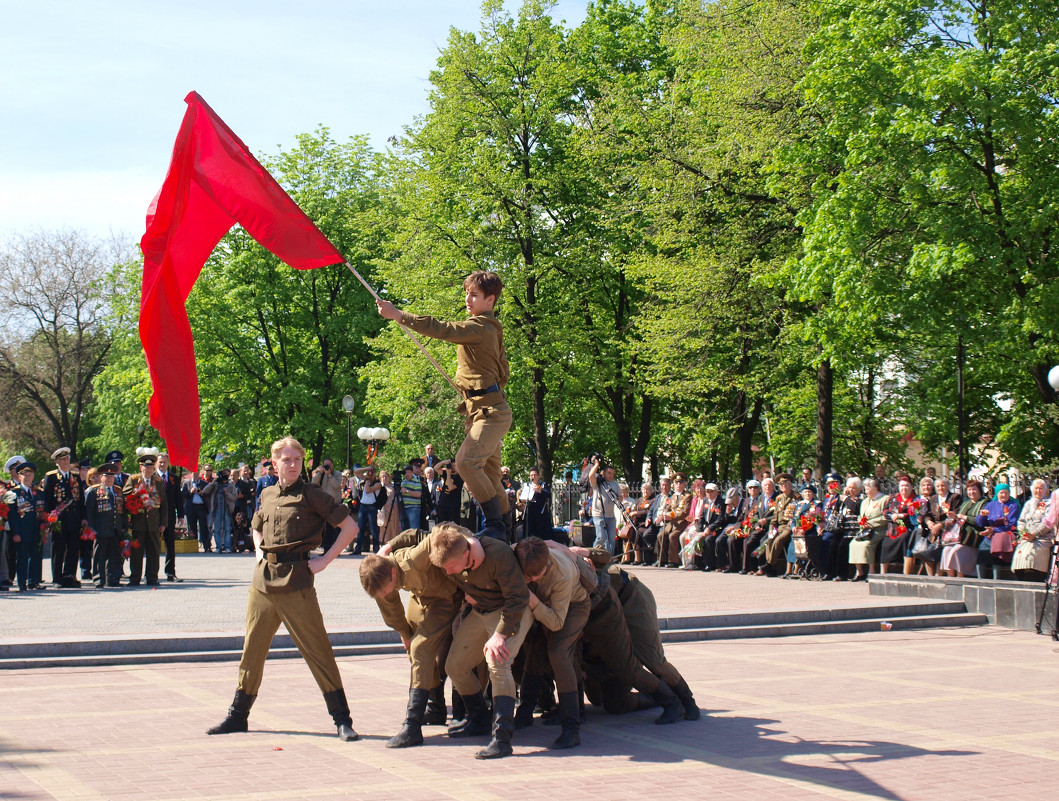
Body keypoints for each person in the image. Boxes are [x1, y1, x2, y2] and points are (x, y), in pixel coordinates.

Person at [207, 436, 361, 741]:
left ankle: (342, 720)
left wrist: (325, 561)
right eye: (286, 460)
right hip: (263, 584)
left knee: (318, 650)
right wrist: (259, 554)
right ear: (274, 463)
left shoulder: (312, 495)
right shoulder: (266, 493)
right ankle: (238, 716)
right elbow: (257, 527)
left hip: (297, 582)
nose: (292, 465)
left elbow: (350, 528)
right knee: (252, 650)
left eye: (297, 460)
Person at [376, 272, 511, 538]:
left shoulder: (481, 327)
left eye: (474, 294)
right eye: (467, 292)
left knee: (466, 463)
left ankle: (496, 527)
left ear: (490, 299)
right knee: (492, 480)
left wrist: (399, 315)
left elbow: (444, 329)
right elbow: (503, 372)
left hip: (490, 414)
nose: (467, 299)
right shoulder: (491, 330)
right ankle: (507, 533)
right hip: (482, 411)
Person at [428, 522, 531, 759]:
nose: (449, 573)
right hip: (481, 611)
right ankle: (480, 719)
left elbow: (519, 598)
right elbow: (444, 526)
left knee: (497, 661)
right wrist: (471, 538)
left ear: (465, 555)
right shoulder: (459, 550)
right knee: (455, 666)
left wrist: (500, 635)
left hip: (512, 612)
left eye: (452, 567)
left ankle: (502, 737)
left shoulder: (497, 554)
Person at [359, 533, 461, 748]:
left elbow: (432, 532)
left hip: (447, 597)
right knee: (413, 644)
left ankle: (412, 726)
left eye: (387, 589)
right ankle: (435, 706)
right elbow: (393, 612)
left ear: (394, 572)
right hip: (423, 596)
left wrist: (472, 543)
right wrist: (405, 634)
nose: (385, 594)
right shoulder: (380, 581)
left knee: (421, 648)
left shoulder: (414, 559)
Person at [511, 537, 591, 750]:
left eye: (534, 577)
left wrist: (532, 599)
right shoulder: (519, 554)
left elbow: (556, 622)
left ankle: (571, 727)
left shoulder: (560, 574)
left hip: (574, 606)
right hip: (543, 604)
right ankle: (525, 713)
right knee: (534, 648)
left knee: (559, 652)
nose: (530, 579)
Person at [123, 448, 169, 586]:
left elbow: (164, 503)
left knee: (154, 551)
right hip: (139, 522)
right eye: (145, 467)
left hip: (154, 522)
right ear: (140, 467)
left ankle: (152, 577)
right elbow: (125, 496)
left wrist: (163, 522)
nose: (148, 470)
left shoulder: (158, 481)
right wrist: (135, 494)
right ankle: (135, 577)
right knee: (136, 551)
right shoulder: (133, 479)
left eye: (150, 467)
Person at [42, 446, 86, 587]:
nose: (66, 461)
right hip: (59, 519)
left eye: (67, 458)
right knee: (58, 548)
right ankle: (57, 578)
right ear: (57, 462)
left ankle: (70, 576)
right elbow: (47, 499)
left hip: (74, 518)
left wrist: (83, 517)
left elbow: (80, 500)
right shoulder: (51, 477)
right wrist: (50, 517)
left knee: (73, 548)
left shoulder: (75, 475)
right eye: (62, 459)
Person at [5, 461, 46, 591]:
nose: (27, 477)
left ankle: (34, 581)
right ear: (19, 476)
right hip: (22, 530)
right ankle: (22, 583)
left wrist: (46, 527)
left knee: (36, 556)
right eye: (25, 475)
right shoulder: (14, 493)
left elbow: (43, 511)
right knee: (22, 557)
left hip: (36, 530)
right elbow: (12, 516)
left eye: (30, 474)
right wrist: (15, 533)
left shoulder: (38, 493)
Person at [85, 462, 125, 588]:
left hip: (115, 528)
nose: (109, 479)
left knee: (115, 555)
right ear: (101, 477)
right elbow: (89, 511)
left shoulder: (118, 490)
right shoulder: (94, 491)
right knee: (100, 555)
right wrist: (91, 528)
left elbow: (122, 511)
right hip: (100, 528)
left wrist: (124, 526)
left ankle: (113, 578)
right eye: (106, 476)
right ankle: (99, 578)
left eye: (111, 477)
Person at [940, 478, 986, 577]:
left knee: (955, 551)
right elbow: (959, 518)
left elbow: (980, 521)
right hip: (960, 537)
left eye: (974, 489)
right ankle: (951, 579)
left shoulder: (985, 503)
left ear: (979, 490)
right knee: (946, 550)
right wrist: (954, 516)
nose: (971, 492)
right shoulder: (966, 503)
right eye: (969, 490)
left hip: (973, 538)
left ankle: (960, 578)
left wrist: (964, 517)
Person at [976, 481, 1021, 579]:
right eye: (1001, 493)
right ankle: (980, 580)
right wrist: (982, 516)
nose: (1004, 495)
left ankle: (996, 580)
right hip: (990, 535)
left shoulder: (1013, 505)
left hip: (1004, 534)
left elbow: (1011, 524)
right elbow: (980, 523)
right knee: (982, 552)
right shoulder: (991, 505)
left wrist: (993, 530)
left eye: (1006, 493)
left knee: (997, 551)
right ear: (997, 493)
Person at [756, 473, 797, 577]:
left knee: (779, 540)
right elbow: (775, 516)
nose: (783, 486)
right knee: (769, 540)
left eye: (785, 484)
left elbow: (798, 513)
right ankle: (771, 567)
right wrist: (771, 528)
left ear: (790, 485)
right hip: (778, 526)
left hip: (788, 526)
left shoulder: (796, 497)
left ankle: (769, 564)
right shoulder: (779, 498)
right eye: (781, 484)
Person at [848, 478, 888, 581]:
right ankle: (859, 571)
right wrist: (861, 522)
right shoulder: (865, 501)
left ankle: (872, 571)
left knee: (867, 545)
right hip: (865, 530)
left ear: (874, 488)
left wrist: (871, 523)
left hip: (879, 529)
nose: (865, 491)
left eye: (867, 488)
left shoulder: (884, 499)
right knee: (853, 544)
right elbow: (860, 516)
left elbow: (885, 517)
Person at [880, 475, 919, 574]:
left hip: (907, 528)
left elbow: (914, 514)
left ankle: (906, 572)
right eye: (902, 486)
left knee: (905, 538)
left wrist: (901, 515)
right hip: (893, 528)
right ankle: (883, 573)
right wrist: (892, 516)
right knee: (885, 543)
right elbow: (885, 511)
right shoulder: (893, 498)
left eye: (906, 486)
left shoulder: (915, 499)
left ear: (911, 487)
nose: (904, 488)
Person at [156, 452, 184, 582]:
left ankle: (170, 572)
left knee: (170, 545)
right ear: (156, 463)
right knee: (154, 544)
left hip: (170, 516)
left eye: (165, 462)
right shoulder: (153, 477)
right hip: (155, 516)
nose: (162, 464)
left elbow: (178, 497)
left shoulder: (173, 478)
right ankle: (152, 573)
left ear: (168, 463)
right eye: (160, 462)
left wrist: (181, 515)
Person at [587, 457, 622, 554]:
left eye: (613, 474)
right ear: (604, 473)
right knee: (601, 537)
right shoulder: (599, 483)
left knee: (611, 540)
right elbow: (591, 476)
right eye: (609, 473)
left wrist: (618, 498)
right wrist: (596, 465)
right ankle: (594, 555)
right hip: (598, 514)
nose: (611, 476)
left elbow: (621, 497)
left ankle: (609, 559)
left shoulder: (615, 484)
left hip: (611, 516)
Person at [311, 457, 344, 553]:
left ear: (332, 465)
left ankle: (334, 551)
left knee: (334, 528)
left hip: (334, 504)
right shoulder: (321, 474)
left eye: (329, 465)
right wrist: (318, 472)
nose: (327, 467)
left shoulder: (337, 474)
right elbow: (313, 483)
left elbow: (337, 485)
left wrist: (329, 475)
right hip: (324, 504)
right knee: (325, 528)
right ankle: (326, 549)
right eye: (325, 465)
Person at [660, 473, 692, 568]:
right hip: (672, 523)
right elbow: (668, 507)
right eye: (676, 483)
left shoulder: (687, 496)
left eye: (681, 483)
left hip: (681, 523)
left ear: (684, 484)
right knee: (660, 535)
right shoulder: (673, 496)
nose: (678, 485)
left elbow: (684, 512)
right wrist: (665, 513)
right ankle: (662, 559)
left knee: (673, 536)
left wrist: (671, 516)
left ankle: (673, 561)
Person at [351, 464, 384, 554]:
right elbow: (356, 472)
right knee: (360, 528)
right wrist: (366, 468)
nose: (369, 474)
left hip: (371, 507)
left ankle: (376, 549)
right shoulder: (365, 478)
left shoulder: (377, 483)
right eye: (369, 472)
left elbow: (368, 490)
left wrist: (367, 481)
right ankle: (358, 549)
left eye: (371, 472)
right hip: (363, 506)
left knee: (373, 528)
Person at [516, 468, 551, 540]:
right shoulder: (527, 485)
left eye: (535, 475)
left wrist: (540, 490)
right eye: (531, 475)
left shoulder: (543, 484)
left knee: (540, 532)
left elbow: (548, 494)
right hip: (529, 510)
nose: (533, 477)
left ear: (538, 476)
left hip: (540, 512)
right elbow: (521, 496)